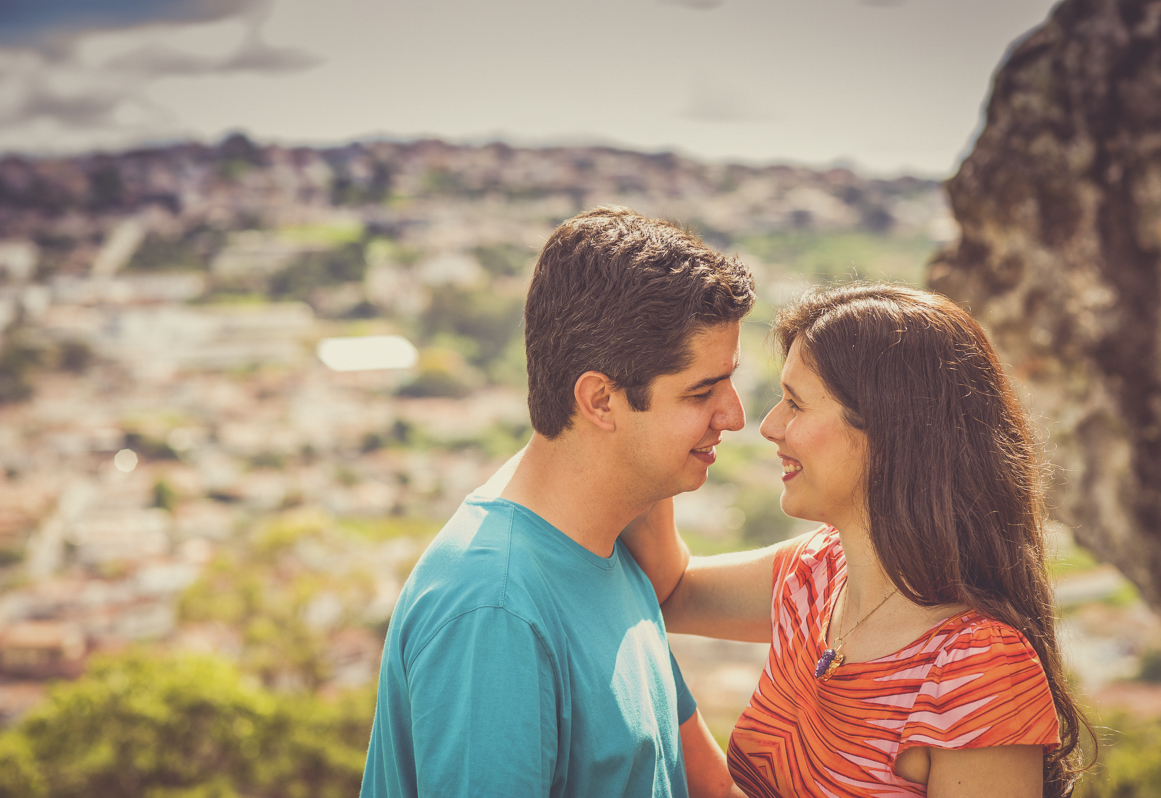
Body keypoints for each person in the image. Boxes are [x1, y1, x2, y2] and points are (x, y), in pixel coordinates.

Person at [624, 282, 1092, 798]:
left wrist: (669, 710)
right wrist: (647, 424)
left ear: (890, 430)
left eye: (795, 403)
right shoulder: (817, 573)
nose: (770, 426)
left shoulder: (977, 668)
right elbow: (671, 590)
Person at [359, 206, 756, 797]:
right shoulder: (496, 610)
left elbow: (701, 783)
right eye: (701, 393)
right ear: (600, 400)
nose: (735, 416)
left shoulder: (610, 544)